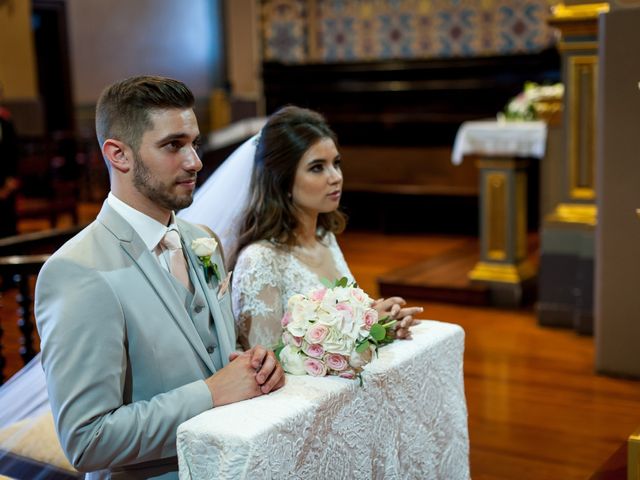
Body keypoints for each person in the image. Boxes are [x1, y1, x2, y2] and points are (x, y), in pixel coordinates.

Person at [33, 75, 284, 479]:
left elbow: (207, 354)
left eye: (194, 143)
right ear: (119, 155)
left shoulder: (202, 241)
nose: (195, 161)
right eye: (173, 145)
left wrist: (250, 364)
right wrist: (212, 393)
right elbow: (87, 439)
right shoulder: (77, 271)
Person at [180, 106, 422, 350]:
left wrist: (381, 325)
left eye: (335, 163)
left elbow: (349, 319)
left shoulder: (325, 238)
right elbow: (268, 360)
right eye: (317, 167)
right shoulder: (260, 260)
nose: (335, 176)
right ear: (283, 180)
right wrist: (362, 330)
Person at [0, 81, 20, 240]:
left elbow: (13, 153)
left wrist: (10, 183)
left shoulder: (6, 122)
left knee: (9, 232)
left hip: (6, 185)